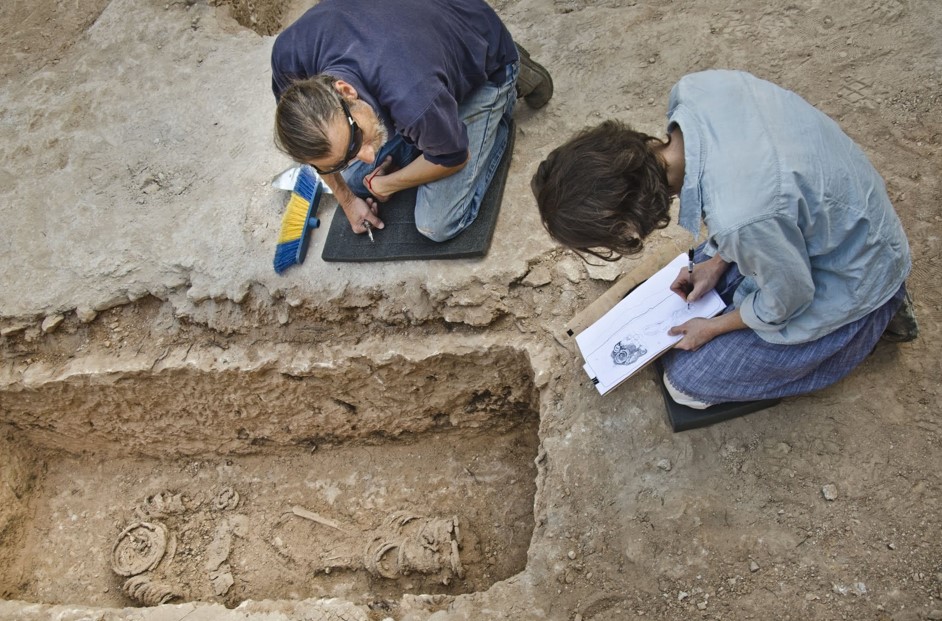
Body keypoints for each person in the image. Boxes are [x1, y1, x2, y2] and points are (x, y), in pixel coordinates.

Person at [531, 69, 917, 409]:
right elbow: (749, 202)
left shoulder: (741, 219)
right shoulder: (693, 91)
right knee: (704, 276)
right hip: (822, 215)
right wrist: (716, 262)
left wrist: (712, 328)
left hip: (858, 269)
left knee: (687, 381)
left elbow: (791, 299)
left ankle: (871, 323)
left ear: (628, 218)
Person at [271, 0, 553, 242]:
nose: (368, 156)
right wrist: (347, 200)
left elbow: (454, 157)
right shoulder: (290, 62)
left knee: (438, 223)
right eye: (348, 154)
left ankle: (503, 93)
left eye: (357, 140)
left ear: (345, 91)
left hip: (477, 42)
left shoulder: (412, 96)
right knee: (355, 180)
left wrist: (388, 184)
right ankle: (443, 105)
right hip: (418, 39)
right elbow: (317, 158)